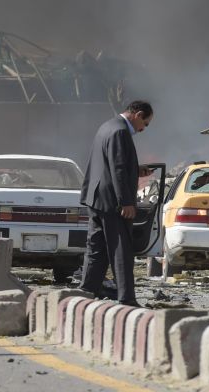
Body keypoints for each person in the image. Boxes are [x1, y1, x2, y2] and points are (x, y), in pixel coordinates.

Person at [78, 100, 153, 307]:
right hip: (112, 202)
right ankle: (127, 298)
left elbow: (110, 163)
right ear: (137, 114)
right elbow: (118, 168)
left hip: (96, 198)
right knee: (121, 250)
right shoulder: (120, 131)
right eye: (145, 123)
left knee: (96, 249)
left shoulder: (107, 126)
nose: (143, 129)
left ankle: (86, 292)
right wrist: (126, 202)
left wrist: (136, 170)